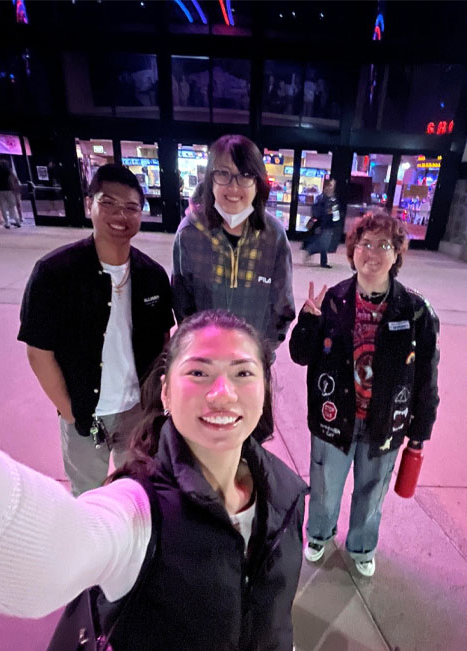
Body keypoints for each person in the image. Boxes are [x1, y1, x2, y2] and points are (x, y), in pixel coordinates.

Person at [0, 310, 307, 651]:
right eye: (198, 373)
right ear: (165, 392)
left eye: (243, 373)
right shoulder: (139, 510)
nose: (222, 393)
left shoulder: (283, 490)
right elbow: (50, 553)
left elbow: (274, 614)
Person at [290, 213, 439, 577]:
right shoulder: (333, 300)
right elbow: (300, 355)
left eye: (383, 245)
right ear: (352, 250)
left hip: (386, 422)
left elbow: (426, 378)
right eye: (364, 244)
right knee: (325, 487)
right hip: (333, 418)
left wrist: (420, 431)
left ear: (397, 254)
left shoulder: (417, 311)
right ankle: (319, 534)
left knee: (372, 492)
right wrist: (307, 321)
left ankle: (361, 544)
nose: (371, 253)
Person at [18, 164, 174, 495]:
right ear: (90, 204)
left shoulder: (152, 275)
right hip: (87, 416)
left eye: (131, 207)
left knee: (139, 487)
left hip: (137, 412)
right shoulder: (54, 273)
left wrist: (155, 404)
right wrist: (73, 413)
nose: (121, 215)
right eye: (109, 203)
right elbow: (38, 351)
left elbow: (164, 343)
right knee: (88, 491)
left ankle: (134, 546)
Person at [172, 134, 295, 353]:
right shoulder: (189, 234)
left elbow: (282, 308)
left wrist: (258, 355)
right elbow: (183, 306)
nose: (234, 187)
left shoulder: (273, 236)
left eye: (245, 175)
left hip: (252, 363)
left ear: (258, 182)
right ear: (211, 179)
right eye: (223, 174)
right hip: (205, 358)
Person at [303, 178, 340, 269]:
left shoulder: (332, 198)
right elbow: (317, 211)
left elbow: (335, 211)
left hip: (329, 223)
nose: (332, 187)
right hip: (323, 224)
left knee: (324, 243)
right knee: (324, 243)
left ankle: (313, 253)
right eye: (331, 185)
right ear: (326, 186)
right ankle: (312, 252)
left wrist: (335, 219)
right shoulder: (322, 198)